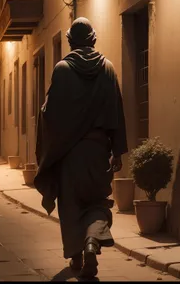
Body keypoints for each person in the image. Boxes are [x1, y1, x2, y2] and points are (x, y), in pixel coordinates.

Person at [34, 17, 127, 279]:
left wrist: (49, 150)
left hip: (69, 154)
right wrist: (117, 151)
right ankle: (91, 243)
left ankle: (76, 254)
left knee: (71, 205)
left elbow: (50, 115)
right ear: (93, 39)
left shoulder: (62, 69)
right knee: (97, 203)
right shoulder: (108, 68)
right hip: (98, 153)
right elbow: (117, 111)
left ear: (70, 42)